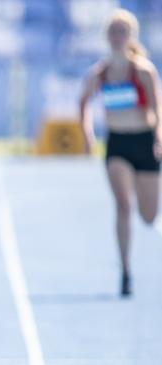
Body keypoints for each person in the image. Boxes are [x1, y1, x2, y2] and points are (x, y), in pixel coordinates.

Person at [79, 9, 161, 297]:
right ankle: (126, 270)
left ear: (130, 37)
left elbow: (157, 108)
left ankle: (143, 197)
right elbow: (83, 101)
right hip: (118, 145)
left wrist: (158, 137)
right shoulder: (99, 74)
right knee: (123, 205)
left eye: (122, 32)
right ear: (106, 37)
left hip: (144, 142)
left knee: (149, 216)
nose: (117, 38)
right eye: (112, 32)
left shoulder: (143, 71)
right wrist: (88, 134)